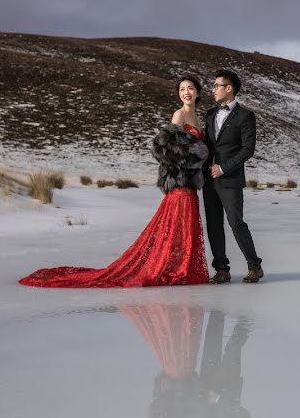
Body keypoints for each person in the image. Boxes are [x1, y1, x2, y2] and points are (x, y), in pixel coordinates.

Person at [18, 75, 210, 288]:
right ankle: (174, 269)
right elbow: (166, 148)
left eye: (190, 88)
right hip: (179, 181)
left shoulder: (197, 117)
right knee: (176, 224)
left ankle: (182, 267)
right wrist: (196, 153)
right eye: (182, 89)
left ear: (198, 92)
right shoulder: (179, 114)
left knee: (185, 224)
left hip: (190, 182)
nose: (186, 92)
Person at [203, 69, 264, 285]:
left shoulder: (246, 116)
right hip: (209, 180)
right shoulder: (210, 114)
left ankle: (254, 267)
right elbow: (208, 146)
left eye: (217, 85)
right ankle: (221, 269)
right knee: (213, 225)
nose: (213, 90)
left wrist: (223, 168)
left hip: (230, 179)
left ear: (229, 88)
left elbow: (248, 149)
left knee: (236, 222)